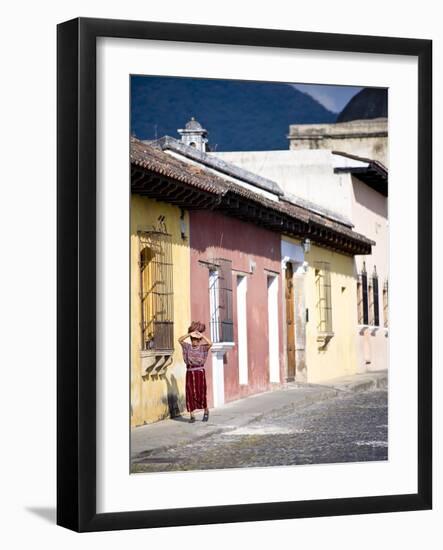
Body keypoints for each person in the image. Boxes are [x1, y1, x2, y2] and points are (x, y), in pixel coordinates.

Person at [178, 321, 212, 423]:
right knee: (190, 393)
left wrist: (201, 335)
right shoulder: (187, 347)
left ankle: (206, 410)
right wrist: (190, 334)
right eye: (193, 340)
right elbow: (179, 340)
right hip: (189, 372)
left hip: (199, 373)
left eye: (197, 340)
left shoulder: (203, 348)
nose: (194, 342)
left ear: (199, 340)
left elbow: (210, 343)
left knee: (201, 392)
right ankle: (192, 415)